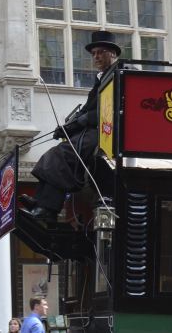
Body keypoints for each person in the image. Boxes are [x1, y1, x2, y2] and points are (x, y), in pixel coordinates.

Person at [23, 30, 121, 222]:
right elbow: (86, 110)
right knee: (55, 153)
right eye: (93, 54)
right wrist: (68, 127)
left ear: (113, 53)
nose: (96, 57)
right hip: (94, 129)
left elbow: (115, 107)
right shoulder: (101, 79)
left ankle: (48, 210)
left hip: (107, 132)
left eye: (100, 52)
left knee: (64, 154)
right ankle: (41, 202)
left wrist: (85, 120)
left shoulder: (119, 74)